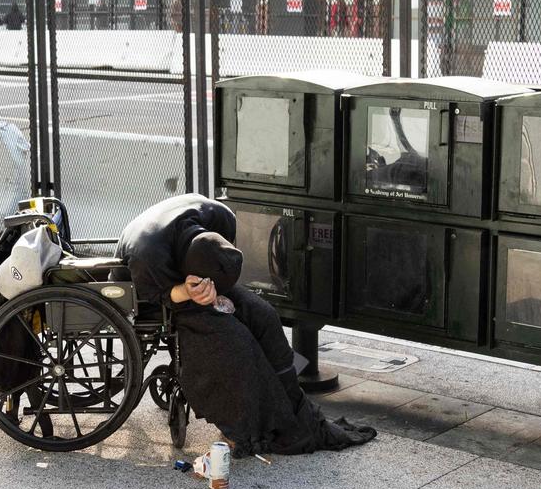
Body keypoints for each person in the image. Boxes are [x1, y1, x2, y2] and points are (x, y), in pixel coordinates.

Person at [116, 193, 376, 458]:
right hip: (151, 290)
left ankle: (291, 401)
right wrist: (187, 290)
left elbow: (219, 257)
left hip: (198, 263)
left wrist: (217, 288)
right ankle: (243, 423)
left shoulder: (220, 216)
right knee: (232, 340)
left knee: (262, 314)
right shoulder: (148, 256)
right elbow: (157, 296)